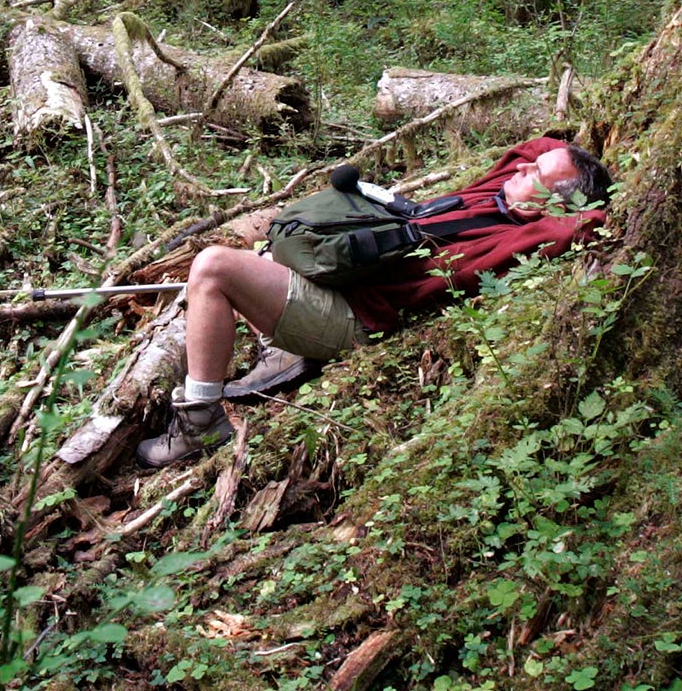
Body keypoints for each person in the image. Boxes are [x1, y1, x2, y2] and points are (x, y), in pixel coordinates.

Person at [136, 137, 612, 468]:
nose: (523, 168)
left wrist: (584, 203)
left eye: (537, 175)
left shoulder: (522, 234)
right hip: (351, 284)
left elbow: (584, 223)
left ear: (553, 206)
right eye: (532, 164)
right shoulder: (499, 192)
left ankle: (201, 420)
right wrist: (556, 164)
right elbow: (537, 148)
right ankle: (277, 346)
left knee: (215, 267)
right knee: (285, 239)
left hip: (358, 315)